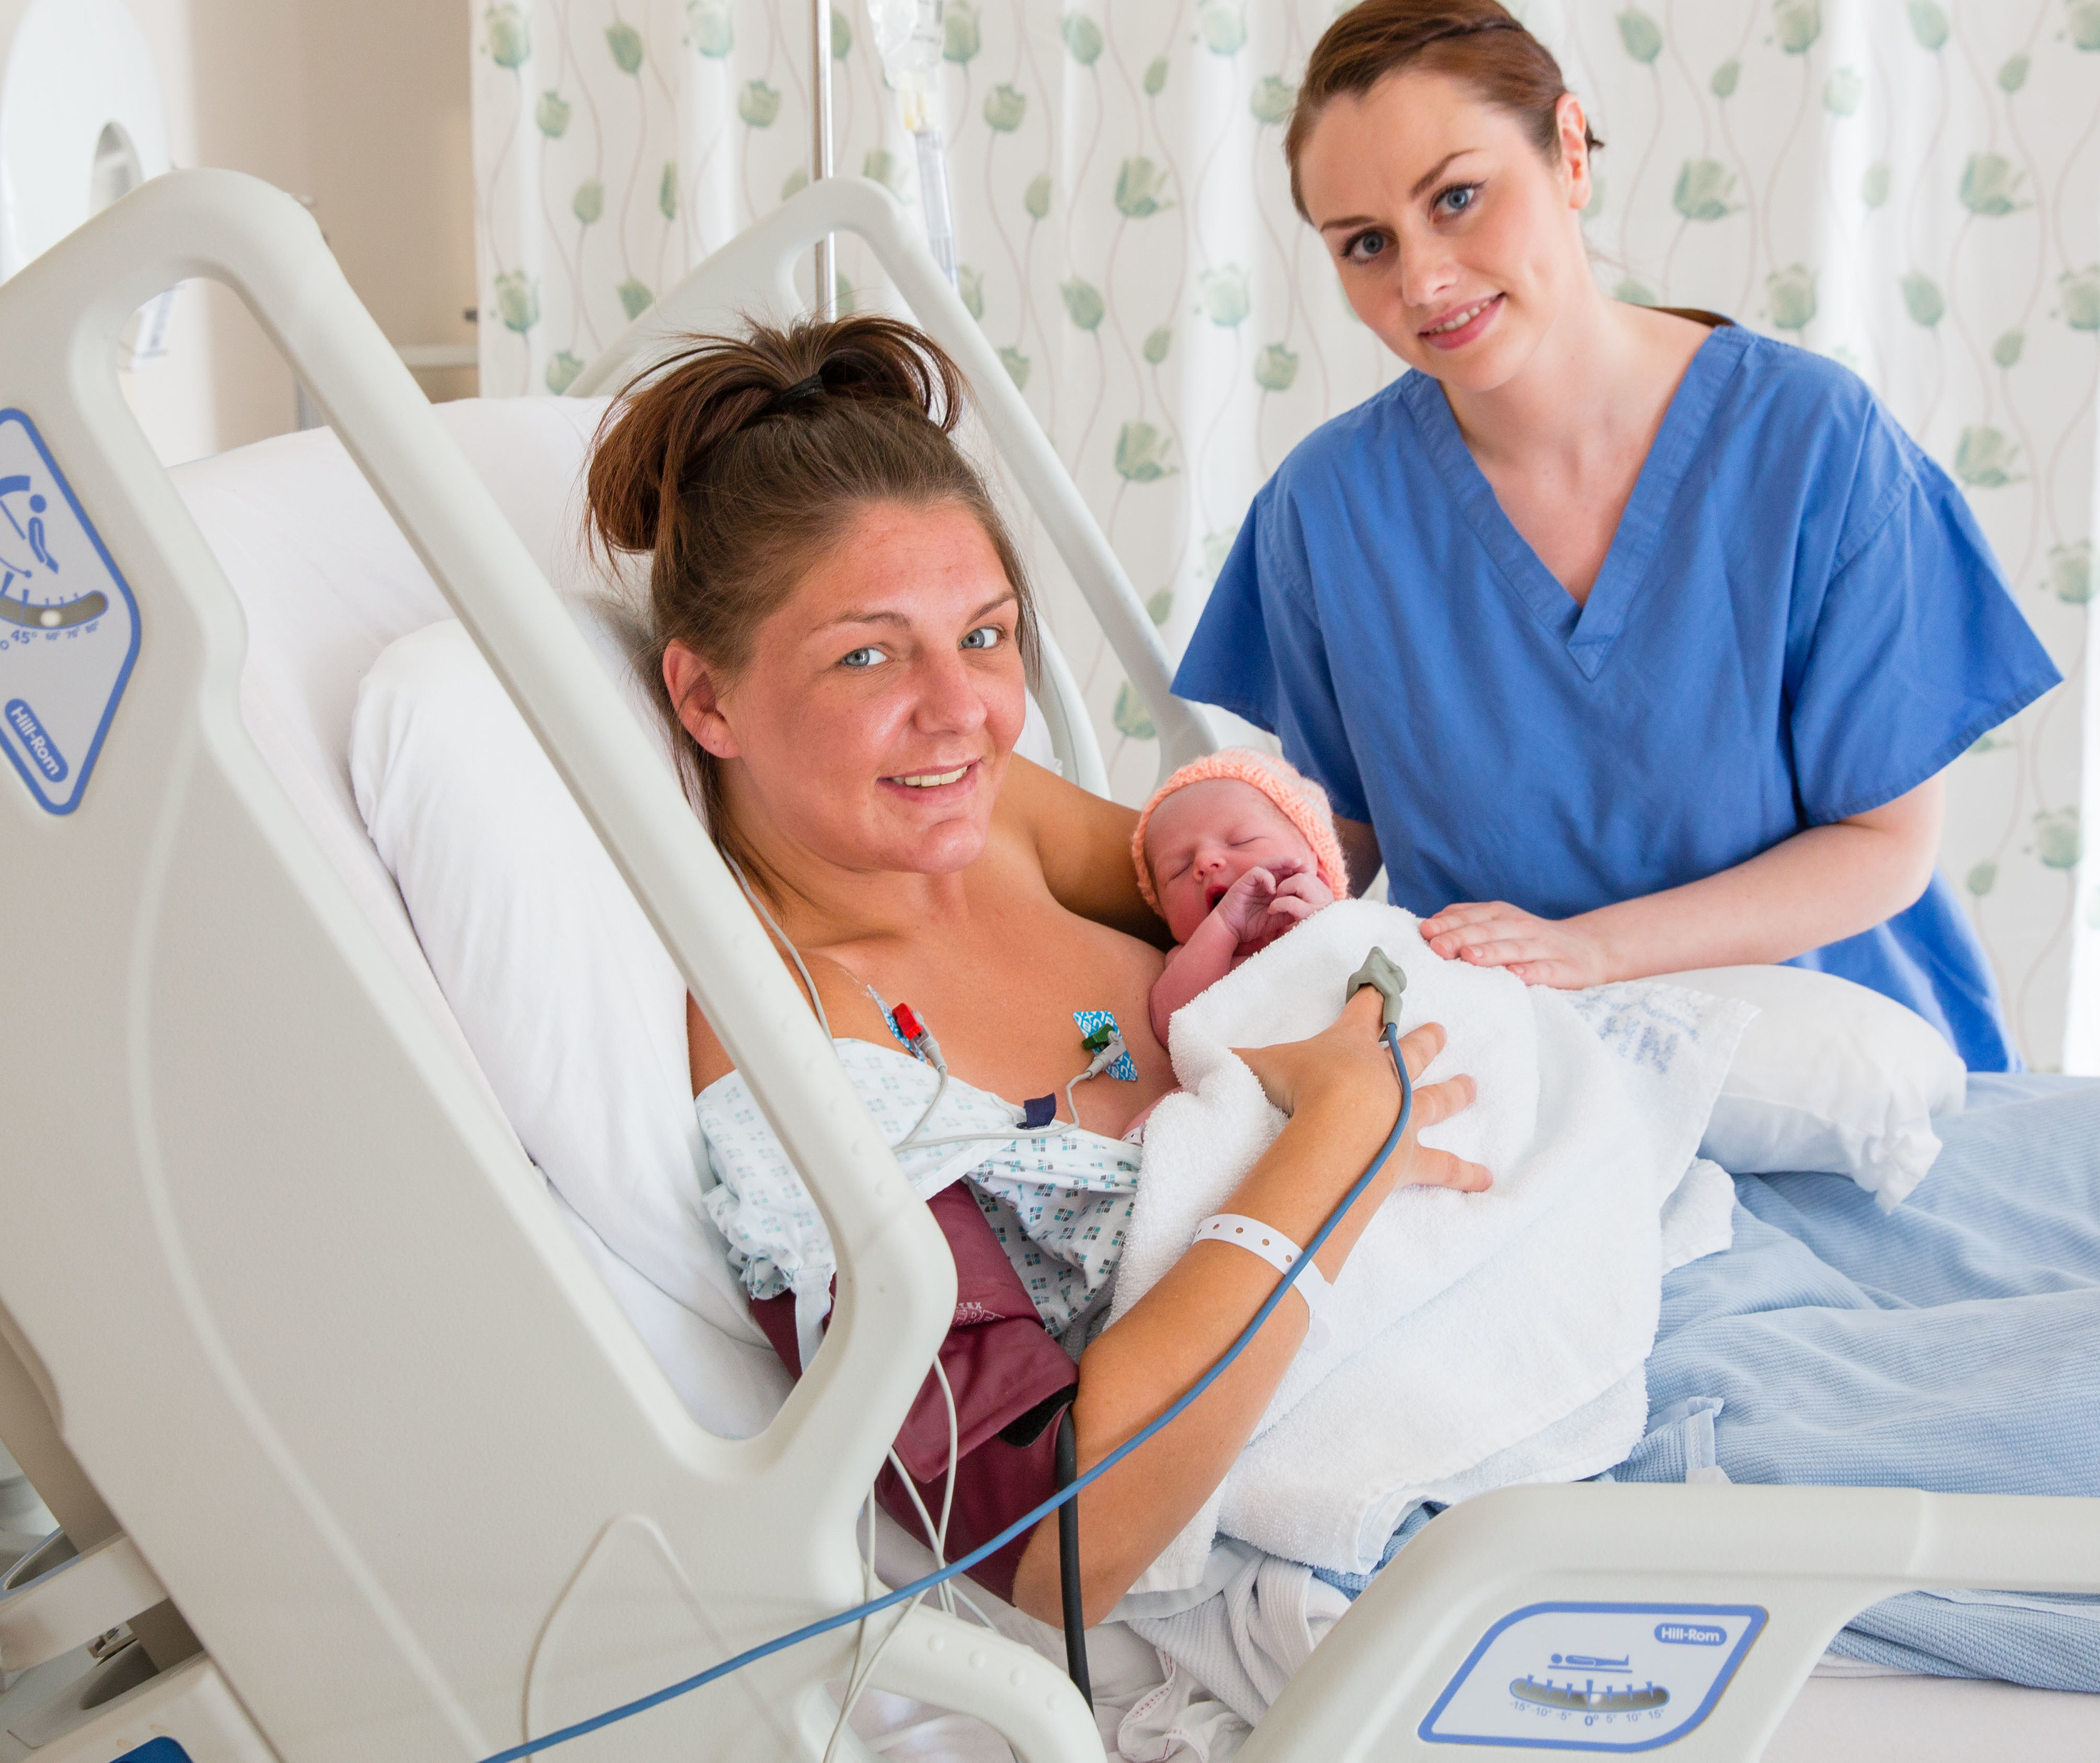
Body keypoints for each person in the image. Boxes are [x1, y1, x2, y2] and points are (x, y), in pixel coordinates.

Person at [581, 314, 1487, 1628]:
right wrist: (1345, 1130)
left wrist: (1256, 856)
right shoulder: (801, 1046)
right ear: (706, 700)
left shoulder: (989, 821)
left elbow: (1228, 887)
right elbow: (1053, 1540)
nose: (964, 713)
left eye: (988, 634)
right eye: (867, 654)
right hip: (1399, 1440)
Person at [1172, 0, 2061, 1071]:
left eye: (1457, 198)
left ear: (1572, 152)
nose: (1424, 277)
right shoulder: (1328, 511)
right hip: (1533, 1092)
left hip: (1839, 1075)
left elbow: (1882, 848)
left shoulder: (1812, 443)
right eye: (1365, 244)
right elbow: (1341, 844)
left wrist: (1587, 953)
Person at [1133, 749, 1348, 1046]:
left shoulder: (1341, 919)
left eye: (1242, 841)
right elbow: (1173, 1028)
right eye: (1177, 871)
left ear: (1317, 865)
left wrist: (1325, 924)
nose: (1205, 862)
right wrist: (1224, 927)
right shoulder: (1187, 961)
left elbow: (1371, 965)